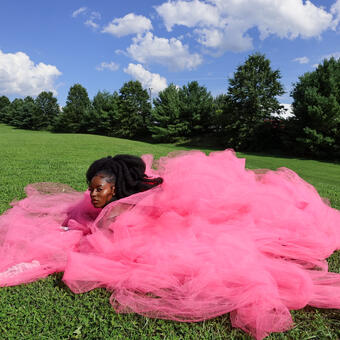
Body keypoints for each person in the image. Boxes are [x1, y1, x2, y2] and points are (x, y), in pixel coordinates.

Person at [1, 150, 340, 340]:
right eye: (91, 188)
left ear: (117, 189)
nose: (91, 195)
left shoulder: (133, 209)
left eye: (99, 189)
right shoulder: (102, 203)